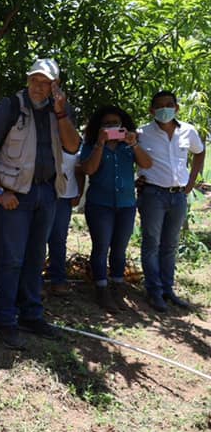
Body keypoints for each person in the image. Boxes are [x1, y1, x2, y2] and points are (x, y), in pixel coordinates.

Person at [0, 58, 81, 349]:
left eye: (46, 82)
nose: (39, 87)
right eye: (35, 80)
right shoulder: (10, 107)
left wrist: (61, 113)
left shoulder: (60, 109)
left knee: (37, 257)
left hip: (47, 192)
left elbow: (73, 146)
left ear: (55, 85)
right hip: (14, 195)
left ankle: (32, 314)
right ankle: (6, 320)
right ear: (28, 81)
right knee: (12, 259)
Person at [135, 90, 205, 312]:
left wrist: (191, 181)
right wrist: (136, 179)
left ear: (176, 107)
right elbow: (130, 156)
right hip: (153, 194)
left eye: (169, 104)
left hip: (178, 195)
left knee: (170, 245)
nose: (165, 108)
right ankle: (154, 291)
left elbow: (200, 152)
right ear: (152, 110)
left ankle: (167, 289)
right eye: (160, 105)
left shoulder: (188, 131)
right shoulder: (142, 133)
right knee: (151, 243)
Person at [78, 105, 152, 311]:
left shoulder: (128, 146)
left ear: (123, 125)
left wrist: (134, 144)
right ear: (99, 127)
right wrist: (100, 144)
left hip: (126, 205)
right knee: (101, 248)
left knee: (120, 249)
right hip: (100, 205)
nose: (112, 127)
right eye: (107, 124)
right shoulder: (91, 144)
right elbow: (88, 169)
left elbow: (147, 164)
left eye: (116, 124)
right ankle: (101, 289)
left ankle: (118, 287)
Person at [44, 149, 84, 295]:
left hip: (65, 195)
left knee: (59, 240)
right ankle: (34, 281)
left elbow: (79, 170)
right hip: (42, 191)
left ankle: (58, 280)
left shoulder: (73, 140)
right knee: (39, 239)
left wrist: (78, 191)